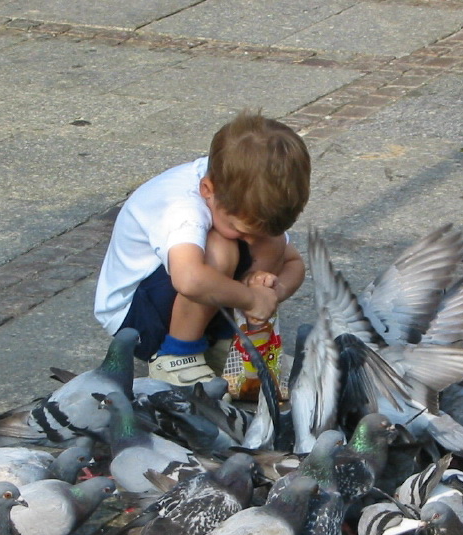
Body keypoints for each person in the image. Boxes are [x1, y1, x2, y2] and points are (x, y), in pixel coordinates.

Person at [94, 110, 309, 386]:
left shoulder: (244, 193)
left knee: (271, 241)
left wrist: (270, 291)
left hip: (190, 301)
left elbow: (294, 264)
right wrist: (251, 299)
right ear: (208, 190)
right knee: (221, 249)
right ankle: (176, 357)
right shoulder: (182, 208)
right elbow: (190, 279)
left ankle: (231, 341)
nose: (251, 241)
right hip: (136, 315)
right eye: (243, 229)